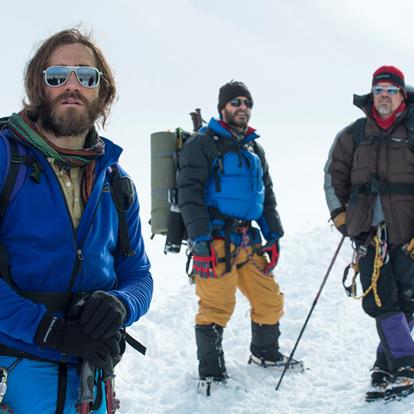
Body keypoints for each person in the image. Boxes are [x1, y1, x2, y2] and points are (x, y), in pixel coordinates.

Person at [0, 28, 153, 413]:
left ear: (103, 92)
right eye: (57, 76)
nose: (72, 85)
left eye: (86, 76)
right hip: (14, 375)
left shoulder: (116, 181)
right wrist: (51, 331)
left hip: (91, 380)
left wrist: (120, 305)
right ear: (40, 85)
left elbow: (139, 274)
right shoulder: (5, 160)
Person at [177, 80, 302, 396]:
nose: (242, 108)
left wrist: (273, 235)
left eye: (247, 103)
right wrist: (200, 240)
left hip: (249, 240)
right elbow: (189, 195)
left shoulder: (254, 147)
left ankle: (265, 353)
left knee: (269, 299)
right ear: (223, 108)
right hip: (216, 241)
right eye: (235, 103)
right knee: (216, 305)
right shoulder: (202, 145)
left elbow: (266, 195)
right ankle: (212, 372)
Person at [324, 66, 414, 401]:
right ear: (371, 95)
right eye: (379, 90)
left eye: (391, 90)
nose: (385, 96)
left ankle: (385, 363)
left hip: (408, 233)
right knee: (379, 298)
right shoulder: (353, 135)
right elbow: (333, 176)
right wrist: (341, 217)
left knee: (408, 300)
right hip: (368, 234)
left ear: (402, 94)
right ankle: (405, 363)